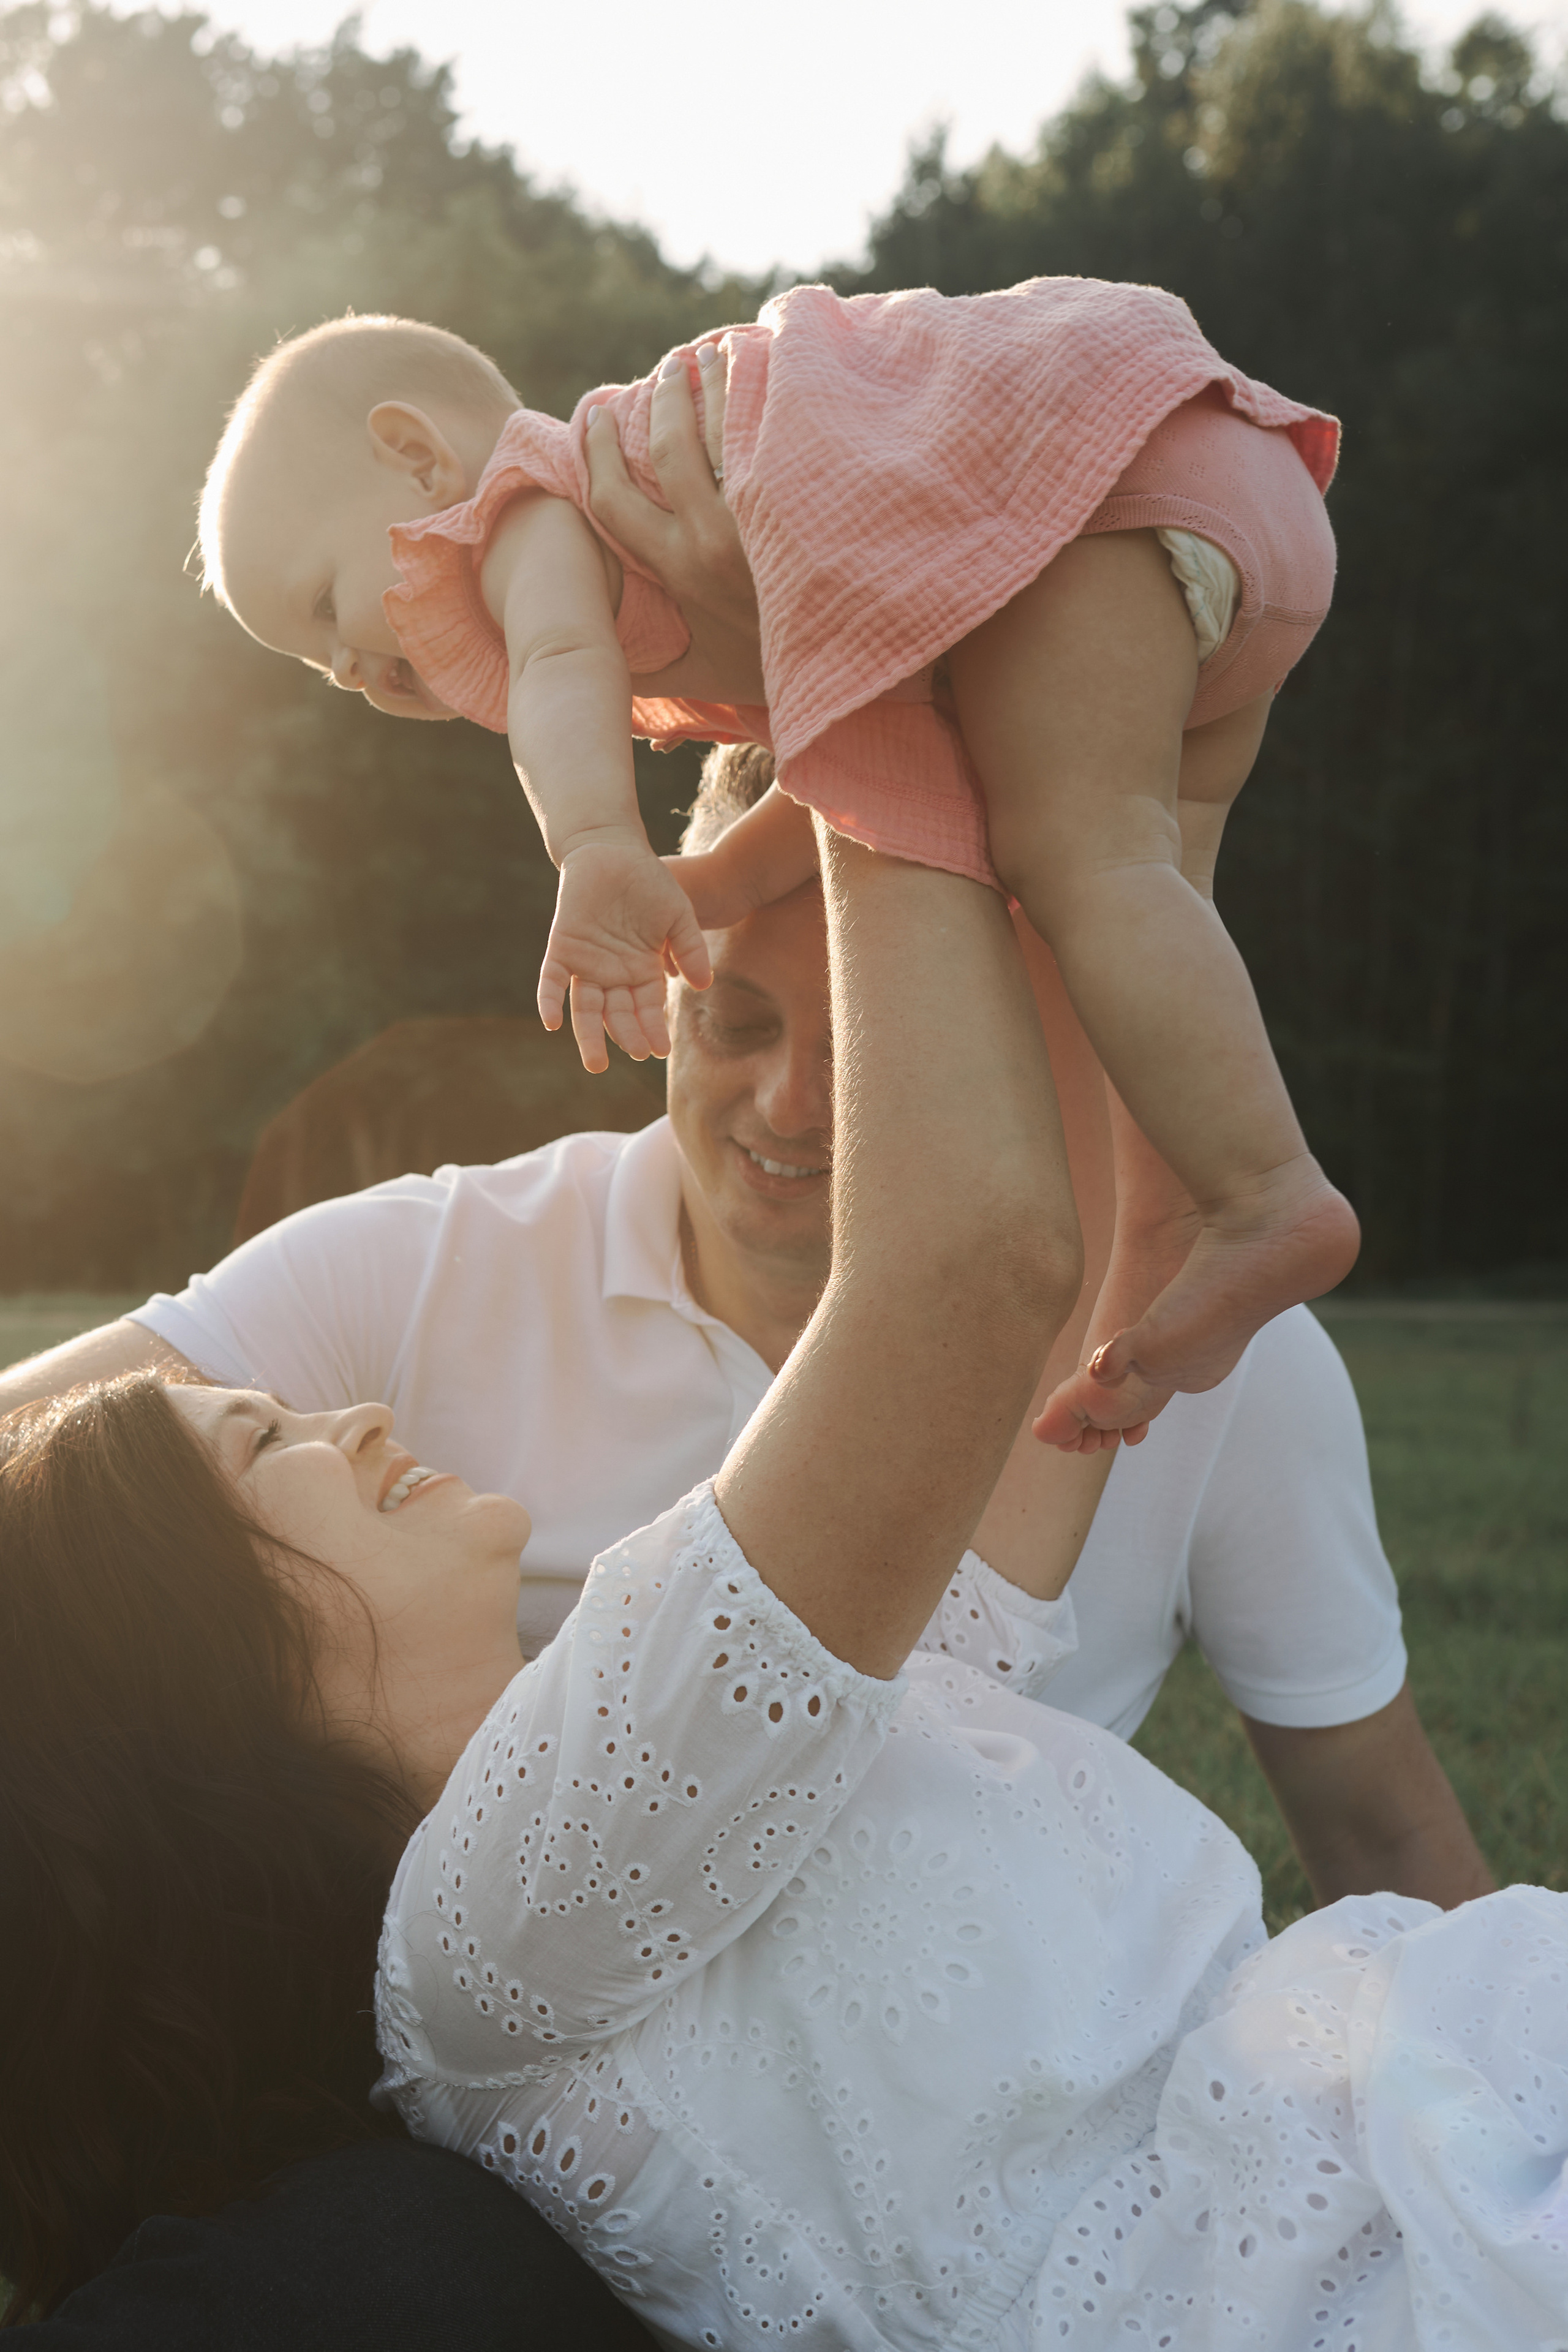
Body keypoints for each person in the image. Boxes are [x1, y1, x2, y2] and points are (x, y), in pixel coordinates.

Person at [2, 824, 1558, 2349]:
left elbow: (1070, 1308)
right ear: (207, 1650)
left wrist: (1132, 824)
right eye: (265, 1438)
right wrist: (871, 752)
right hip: (1389, 2267)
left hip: (1432, 2101)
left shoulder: (647, 1788)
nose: (345, 1413)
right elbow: (977, 1263)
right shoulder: (502, 1913)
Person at [4, 373, 1488, 1914]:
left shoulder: (1198, 1353)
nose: (788, 1106)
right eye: (733, 1020)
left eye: (863, 1056)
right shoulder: (425, 1274)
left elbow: (1385, 1839)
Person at [195, 287, 1361, 1450]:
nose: (347, 671)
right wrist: (728, 883)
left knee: (1085, 859)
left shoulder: (526, 511)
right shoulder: (669, 539)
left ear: (415, 459)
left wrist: (597, 844)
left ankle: (1268, 1193)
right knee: (1156, 886)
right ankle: (1170, 1219)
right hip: (1217, 498)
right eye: (316, 667)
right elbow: (853, 741)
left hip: (1102, 484)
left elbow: (557, 661)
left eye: (323, 606)